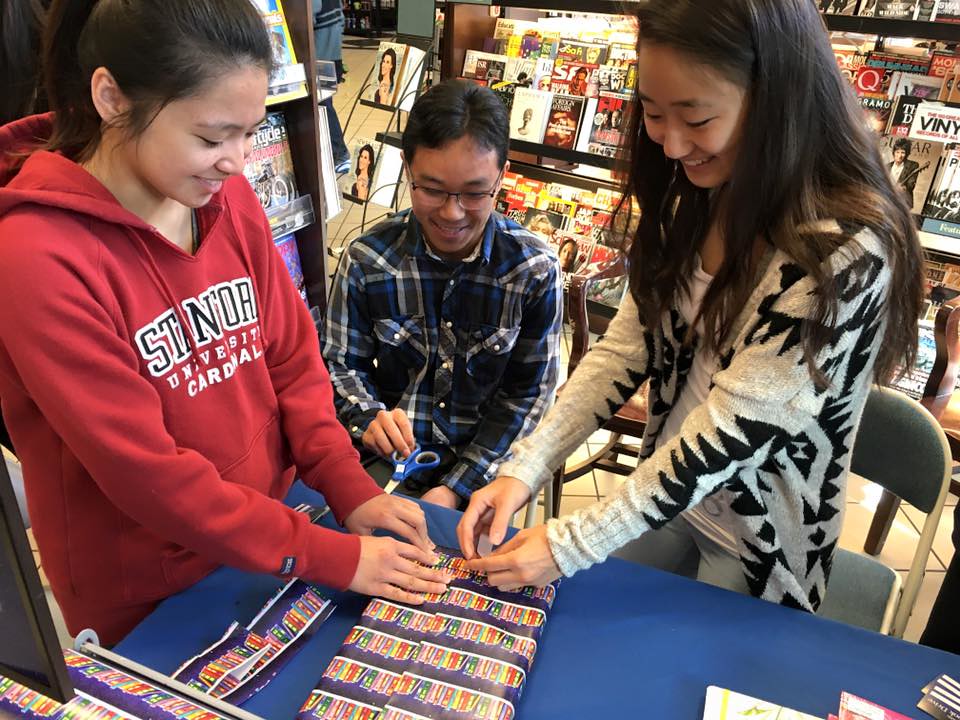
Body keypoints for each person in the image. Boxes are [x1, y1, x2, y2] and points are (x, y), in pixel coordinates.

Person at [0, 0, 449, 646]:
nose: (238, 161)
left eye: (249, 132)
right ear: (111, 98)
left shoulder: (224, 196)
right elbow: (150, 477)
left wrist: (349, 488)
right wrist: (334, 556)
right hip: (149, 592)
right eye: (212, 138)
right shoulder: (37, 257)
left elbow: (293, 361)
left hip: (274, 535)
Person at [458, 0, 924, 615]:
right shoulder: (699, 196)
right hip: (667, 499)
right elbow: (627, 348)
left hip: (762, 544)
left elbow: (733, 429)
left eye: (697, 118)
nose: (672, 144)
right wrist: (526, 467)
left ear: (773, 98)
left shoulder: (846, 251)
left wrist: (571, 543)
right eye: (653, 112)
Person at [322, 79, 563, 511]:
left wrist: (457, 488)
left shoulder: (533, 269)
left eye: (474, 193)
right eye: (431, 189)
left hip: (488, 466)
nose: (452, 213)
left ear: (501, 176)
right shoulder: (368, 260)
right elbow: (341, 365)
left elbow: (528, 396)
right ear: (406, 168)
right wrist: (367, 415)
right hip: (388, 458)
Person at [313, 0, 350, 174]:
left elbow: (307, 18)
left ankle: (340, 153)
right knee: (325, 103)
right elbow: (341, 20)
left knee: (324, 105)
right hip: (332, 57)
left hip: (318, 58)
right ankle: (336, 153)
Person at [887, 138, 921, 211]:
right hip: (886, 200)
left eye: (903, 152)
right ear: (893, 153)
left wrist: (903, 188)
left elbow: (911, 184)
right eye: (897, 152)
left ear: (907, 154)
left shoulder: (913, 165)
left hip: (902, 202)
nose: (900, 155)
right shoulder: (887, 166)